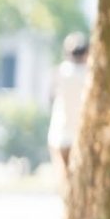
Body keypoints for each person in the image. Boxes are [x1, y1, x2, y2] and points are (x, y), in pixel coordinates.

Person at [45, 33, 89, 179]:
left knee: (65, 180)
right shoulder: (90, 75)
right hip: (82, 136)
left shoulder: (58, 72)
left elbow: (50, 99)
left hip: (59, 135)